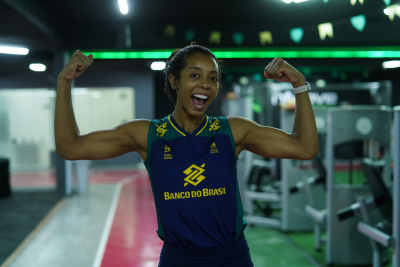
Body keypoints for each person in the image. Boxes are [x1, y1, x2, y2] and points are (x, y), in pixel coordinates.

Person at [55, 43, 319, 267]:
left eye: (213, 78)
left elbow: (305, 148)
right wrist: (64, 82)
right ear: (174, 80)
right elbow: (71, 147)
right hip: (178, 260)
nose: (205, 84)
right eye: (195, 75)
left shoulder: (232, 131)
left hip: (232, 258)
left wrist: (299, 84)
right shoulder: (148, 135)